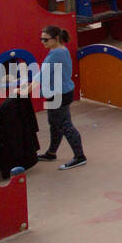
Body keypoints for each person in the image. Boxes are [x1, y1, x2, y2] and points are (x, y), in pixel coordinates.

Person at [37, 25, 87, 170]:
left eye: (46, 39)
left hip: (59, 94)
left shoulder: (57, 54)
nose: (43, 42)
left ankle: (79, 156)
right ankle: (51, 152)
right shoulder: (57, 50)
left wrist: (28, 87)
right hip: (57, 93)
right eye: (41, 39)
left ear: (56, 38)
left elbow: (43, 74)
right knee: (54, 123)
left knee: (65, 125)